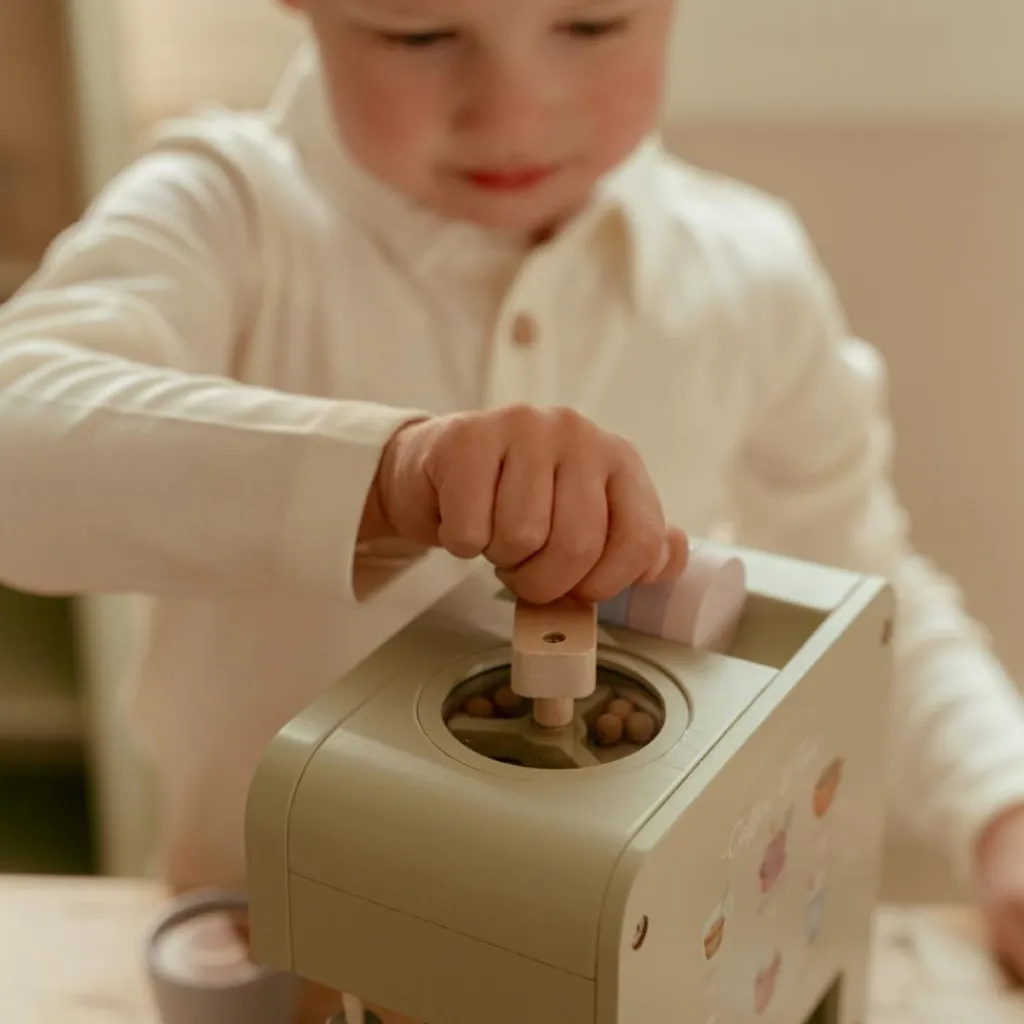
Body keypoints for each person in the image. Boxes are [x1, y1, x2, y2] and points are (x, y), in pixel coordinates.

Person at [2, 0, 1024, 1015]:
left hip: (623, 972)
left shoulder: (748, 278)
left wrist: (1000, 801)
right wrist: (388, 474)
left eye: (592, 25)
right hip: (277, 962)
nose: (514, 113)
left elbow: (869, 590)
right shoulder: (222, 212)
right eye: (418, 34)